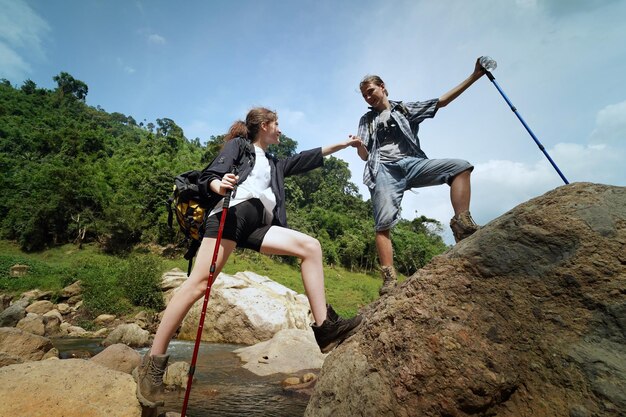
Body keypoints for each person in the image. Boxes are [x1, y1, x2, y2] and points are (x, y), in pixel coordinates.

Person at [133, 107, 363, 407]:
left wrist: (344, 145)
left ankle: (326, 329)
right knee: (198, 285)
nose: (280, 130)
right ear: (265, 125)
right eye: (277, 124)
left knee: (311, 247)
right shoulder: (239, 146)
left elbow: (309, 156)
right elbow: (210, 176)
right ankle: (152, 365)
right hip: (231, 213)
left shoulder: (275, 163)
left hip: (258, 224)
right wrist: (219, 184)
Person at [351, 58, 486, 296]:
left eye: (370, 91)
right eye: (364, 95)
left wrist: (474, 76)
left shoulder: (404, 109)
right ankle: (389, 278)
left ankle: (462, 224)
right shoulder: (367, 120)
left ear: (382, 86)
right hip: (384, 169)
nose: (368, 97)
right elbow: (364, 155)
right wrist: (358, 146)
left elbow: (440, 102)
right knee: (382, 224)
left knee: (461, 167)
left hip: (413, 163)